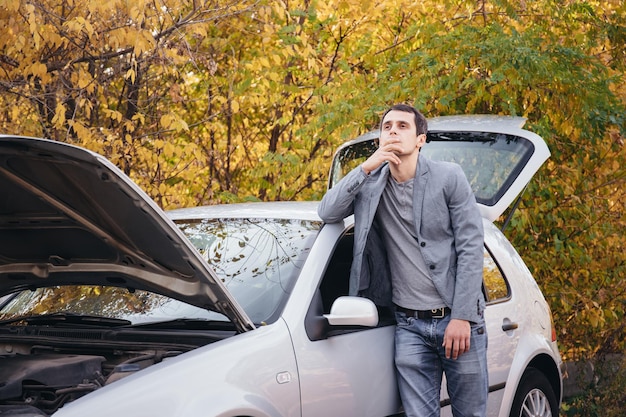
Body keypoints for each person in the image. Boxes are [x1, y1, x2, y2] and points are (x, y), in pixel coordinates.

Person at [317, 104, 488, 417]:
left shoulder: (448, 177)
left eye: (402, 126)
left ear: (420, 139)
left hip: (457, 318)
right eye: (387, 127)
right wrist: (367, 167)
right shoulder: (370, 186)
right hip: (409, 326)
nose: (393, 131)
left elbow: (470, 246)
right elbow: (327, 211)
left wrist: (463, 316)